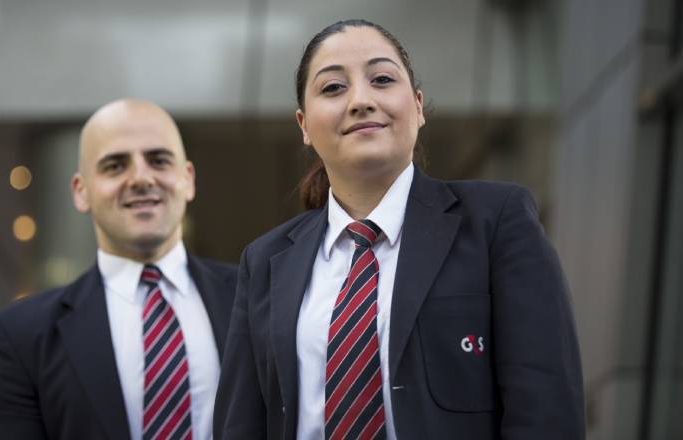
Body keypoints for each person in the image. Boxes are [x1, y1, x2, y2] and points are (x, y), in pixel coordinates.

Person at [213, 19, 584, 440]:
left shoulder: (495, 222)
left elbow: (546, 406)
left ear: (419, 106)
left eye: (382, 79)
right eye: (333, 88)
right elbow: (240, 425)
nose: (361, 100)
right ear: (303, 125)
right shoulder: (265, 261)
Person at [0, 99, 237, 440]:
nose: (141, 178)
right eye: (115, 166)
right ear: (81, 192)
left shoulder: (255, 298)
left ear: (187, 179)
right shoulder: (25, 335)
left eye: (159, 160)